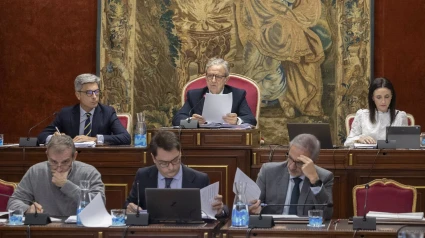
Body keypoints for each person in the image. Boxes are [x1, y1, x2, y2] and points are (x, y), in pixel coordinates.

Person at [125, 130, 228, 218]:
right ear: (153, 158)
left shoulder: (199, 179)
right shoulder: (143, 176)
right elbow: (128, 205)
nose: (171, 167)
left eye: (175, 160)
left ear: (180, 153)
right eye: (164, 163)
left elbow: (221, 211)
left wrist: (219, 210)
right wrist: (129, 209)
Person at [7, 135, 105, 216]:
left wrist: (66, 185)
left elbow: (99, 205)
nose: (59, 168)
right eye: (53, 162)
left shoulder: (89, 172)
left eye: (65, 162)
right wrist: (28, 210)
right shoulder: (36, 171)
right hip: (44, 230)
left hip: (80, 230)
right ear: (47, 155)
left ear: (74, 156)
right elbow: (13, 203)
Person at [249, 134, 333, 220]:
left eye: (299, 163)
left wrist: (315, 181)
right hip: (273, 229)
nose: (291, 167)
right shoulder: (268, 172)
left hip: (305, 231)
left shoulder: (324, 177)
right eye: (290, 158)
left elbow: (326, 215)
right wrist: (253, 207)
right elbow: (254, 204)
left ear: (313, 162)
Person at [37, 73, 131, 145]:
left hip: (99, 159)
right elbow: (42, 136)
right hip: (72, 160)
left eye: (96, 92)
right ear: (78, 95)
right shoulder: (66, 113)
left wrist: (95, 139)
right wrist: (55, 139)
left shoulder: (107, 112)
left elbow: (125, 138)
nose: (94, 97)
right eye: (89, 92)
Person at [172, 58, 257, 126]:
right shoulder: (195, 95)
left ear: (226, 79)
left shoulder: (237, 94)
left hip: (228, 140)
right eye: (210, 76)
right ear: (206, 77)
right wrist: (192, 122)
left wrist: (237, 121)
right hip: (201, 140)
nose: (213, 80)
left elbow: (251, 120)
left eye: (218, 77)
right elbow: (177, 120)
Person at [344, 77, 408, 146]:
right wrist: (359, 139)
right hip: (367, 155)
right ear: (372, 98)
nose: (383, 101)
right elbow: (347, 142)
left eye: (386, 97)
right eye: (379, 97)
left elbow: (406, 146)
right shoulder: (362, 115)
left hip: (391, 156)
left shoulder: (400, 116)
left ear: (391, 96)